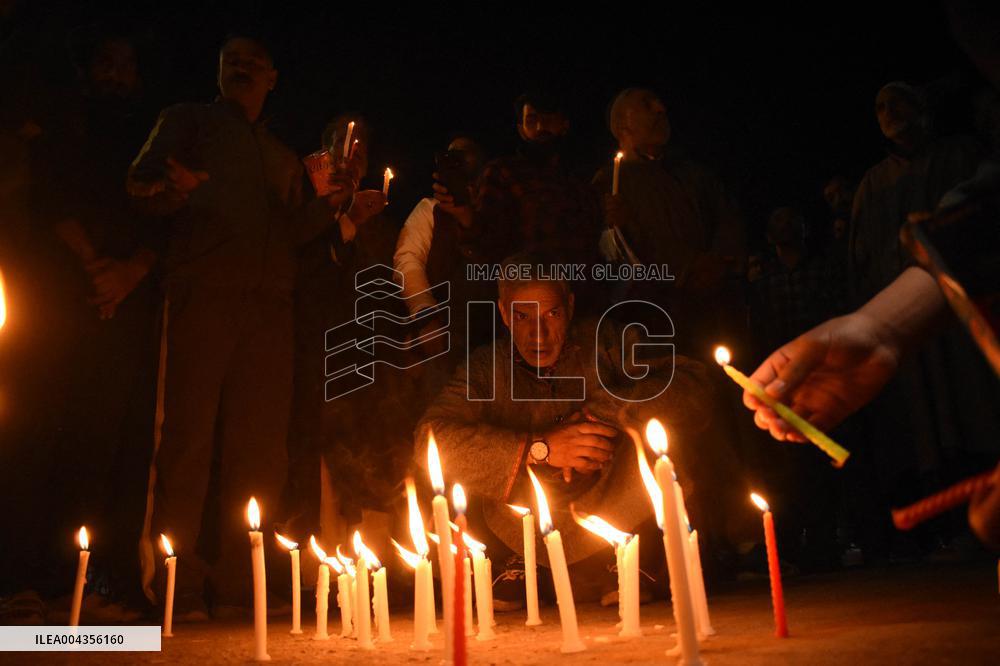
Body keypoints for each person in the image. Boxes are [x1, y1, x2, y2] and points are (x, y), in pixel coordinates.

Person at [127, 32, 353, 619]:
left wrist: (328, 208)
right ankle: (174, 586)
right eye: (232, 61)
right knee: (186, 440)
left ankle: (239, 582)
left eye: (255, 63)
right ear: (219, 73)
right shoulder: (187, 121)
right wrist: (169, 189)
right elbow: (139, 184)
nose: (243, 69)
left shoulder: (280, 156)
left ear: (273, 78)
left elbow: (287, 235)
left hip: (269, 312)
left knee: (260, 452)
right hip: (204, 296)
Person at [416, 252, 755, 607]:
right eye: (522, 316)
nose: (538, 333)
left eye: (552, 314)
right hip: (519, 518)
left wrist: (603, 416)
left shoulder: (607, 342)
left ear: (570, 307)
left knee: (665, 432)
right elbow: (429, 436)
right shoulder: (485, 368)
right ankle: (518, 562)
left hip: (613, 500)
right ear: (503, 314)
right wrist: (540, 447)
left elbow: (693, 387)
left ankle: (629, 557)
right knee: (448, 462)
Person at [23, 23, 160, 619]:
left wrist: (129, 273)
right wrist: (95, 268)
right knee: (64, 437)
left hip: (133, 303)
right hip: (68, 298)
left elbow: (167, 217)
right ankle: (48, 579)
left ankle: (108, 584)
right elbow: (50, 196)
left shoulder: (151, 136)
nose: (114, 73)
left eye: (124, 64)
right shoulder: (65, 125)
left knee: (123, 445)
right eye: (104, 61)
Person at [287, 113, 409, 544]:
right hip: (315, 344)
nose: (351, 157)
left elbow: (383, 277)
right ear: (325, 151)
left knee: (371, 447)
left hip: (365, 352)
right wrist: (344, 220)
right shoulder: (303, 195)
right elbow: (303, 262)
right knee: (316, 444)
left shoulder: (379, 214)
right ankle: (312, 550)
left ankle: (373, 554)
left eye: (360, 151)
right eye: (343, 145)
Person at [594, 87, 746, 357]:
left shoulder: (694, 175)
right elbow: (614, 255)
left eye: (660, 103)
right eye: (647, 104)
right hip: (653, 318)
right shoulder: (608, 185)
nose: (660, 109)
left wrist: (719, 262)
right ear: (621, 125)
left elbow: (727, 221)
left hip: (712, 307)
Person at [431, 91, 603, 292]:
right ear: (521, 130)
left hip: (585, 298)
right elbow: (487, 246)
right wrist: (466, 216)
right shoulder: (503, 172)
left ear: (564, 124)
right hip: (532, 299)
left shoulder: (581, 180)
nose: (540, 127)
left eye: (548, 118)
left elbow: (597, 241)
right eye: (532, 120)